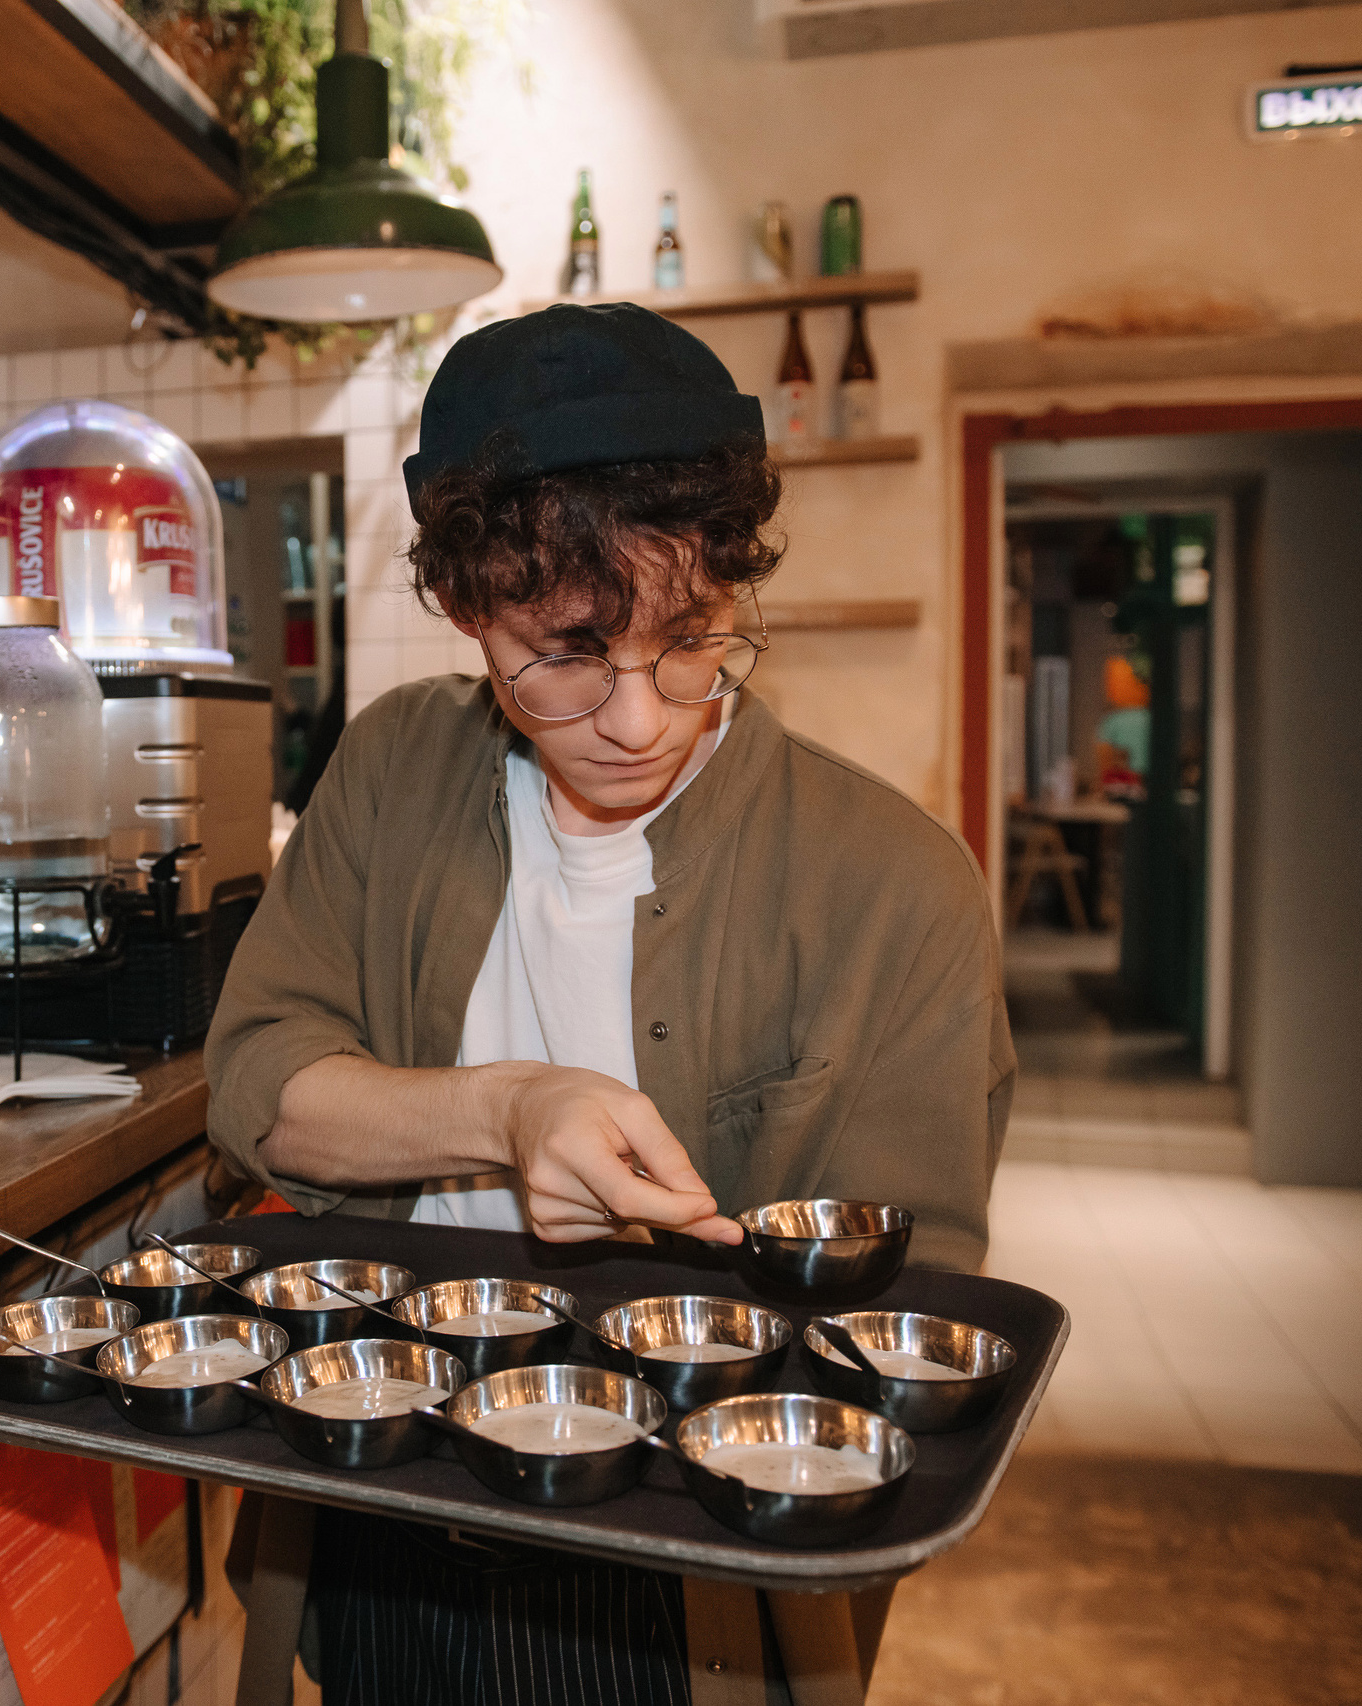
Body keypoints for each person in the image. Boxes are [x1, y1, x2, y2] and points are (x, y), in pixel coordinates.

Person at [206, 306, 1013, 1704]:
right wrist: (510, 1107)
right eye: (567, 654)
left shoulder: (899, 890)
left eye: (690, 640)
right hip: (387, 1504)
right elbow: (260, 1083)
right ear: (468, 609)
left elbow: (905, 1327)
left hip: (684, 1576)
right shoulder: (396, 771)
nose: (638, 720)